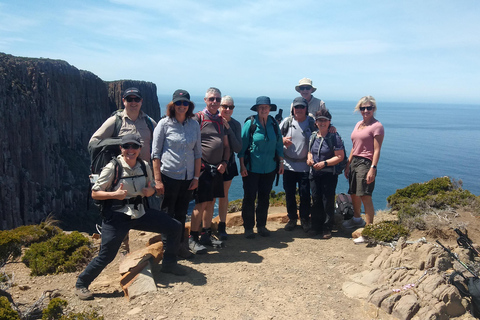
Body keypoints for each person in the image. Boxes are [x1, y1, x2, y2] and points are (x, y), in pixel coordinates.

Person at [75, 133, 185, 301]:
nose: (130, 150)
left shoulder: (144, 165)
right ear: (121, 148)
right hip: (117, 216)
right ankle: (82, 283)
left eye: (134, 146)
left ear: (140, 148)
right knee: (107, 255)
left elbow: (151, 185)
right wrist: (114, 194)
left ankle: (169, 264)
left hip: (139, 212)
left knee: (175, 227)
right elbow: (95, 193)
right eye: (127, 146)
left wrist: (152, 190)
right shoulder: (113, 167)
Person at [89, 87, 159, 254]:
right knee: (122, 209)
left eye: (136, 99)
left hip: (144, 173)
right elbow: (94, 141)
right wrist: (119, 143)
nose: (133, 102)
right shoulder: (115, 120)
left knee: (147, 207)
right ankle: (122, 251)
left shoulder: (149, 122)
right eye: (130, 99)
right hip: (123, 174)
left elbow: (159, 144)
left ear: (141, 101)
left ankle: (154, 247)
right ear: (124, 101)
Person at [151, 90, 202, 257]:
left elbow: (197, 153)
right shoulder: (164, 124)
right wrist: (157, 180)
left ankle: (180, 246)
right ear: (173, 105)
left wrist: (196, 177)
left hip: (187, 178)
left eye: (185, 103)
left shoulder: (194, 125)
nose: (182, 106)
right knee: (167, 214)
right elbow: (155, 154)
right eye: (178, 103)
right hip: (169, 176)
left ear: (189, 106)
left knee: (181, 213)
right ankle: (168, 250)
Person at [189, 87, 230, 253]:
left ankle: (205, 234)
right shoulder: (197, 118)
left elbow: (226, 146)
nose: (214, 102)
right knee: (201, 203)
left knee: (211, 202)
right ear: (205, 100)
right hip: (203, 168)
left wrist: (225, 162)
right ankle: (193, 238)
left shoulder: (221, 121)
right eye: (211, 99)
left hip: (218, 169)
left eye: (217, 99)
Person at [238, 96, 284, 238]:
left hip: (270, 168)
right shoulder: (250, 124)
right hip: (252, 168)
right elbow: (242, 147)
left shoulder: (274, 124)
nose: (264, 109)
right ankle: (248, 228)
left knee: (264, 197)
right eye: (261, 107)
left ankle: (262, 226)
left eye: (266, 107)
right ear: (257, 109)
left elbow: (279, 145)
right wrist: (242, 166)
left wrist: (281, 162)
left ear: (270, 109)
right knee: (249, 198)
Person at [343, 96, 384, 242]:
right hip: (354, 161)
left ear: (374, 109)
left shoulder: (376, 126)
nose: (365, 110)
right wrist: (348, 165)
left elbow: (377, 150)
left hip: (366, 163)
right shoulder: (358, 124)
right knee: (354, 193)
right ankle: (356, 219)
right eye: (363, 108)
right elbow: (354, 147)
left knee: (365, 195)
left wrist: (373, 168)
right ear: (359, 109)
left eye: (369, 108)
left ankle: (369, 231)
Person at [306, 109, 345, 239]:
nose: (322, 123)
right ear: (316, 122)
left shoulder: (335, 137)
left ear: (329, 122)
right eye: (319, 120)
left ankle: (327, 227)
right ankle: (315, 226)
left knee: (327, 200)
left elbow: (340, 156)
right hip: (314, 173)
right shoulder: (313, 136)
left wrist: (325, 163)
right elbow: (310, 151)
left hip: (329, 174)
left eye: (325, 120)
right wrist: (309, 159)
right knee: (316, 199)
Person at [281, 97, 316, 232]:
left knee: (305, 194)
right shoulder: (287, 122)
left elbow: (323, 131)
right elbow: (276, 137)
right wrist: (282, 139)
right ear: (293, 109)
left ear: (306, 109)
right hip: (288, 165)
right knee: (289, 193)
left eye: (302, 107)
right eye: (297, 107)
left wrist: (332, 128)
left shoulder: (312, 123)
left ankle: (305, 219)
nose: (299, 110)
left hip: (305, 167)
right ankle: (292, 219)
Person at [217, 95, 242, 240]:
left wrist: (228, 129)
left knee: (224, 195)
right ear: (219, 106)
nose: (227, 109)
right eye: (224, 106)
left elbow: (238, 147)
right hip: (211, 164)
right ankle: (205, 227)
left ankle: (221, 225)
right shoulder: (212, 121)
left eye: (230, 107)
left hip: (229, 163)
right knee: (209, 198)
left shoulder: (236, 125)